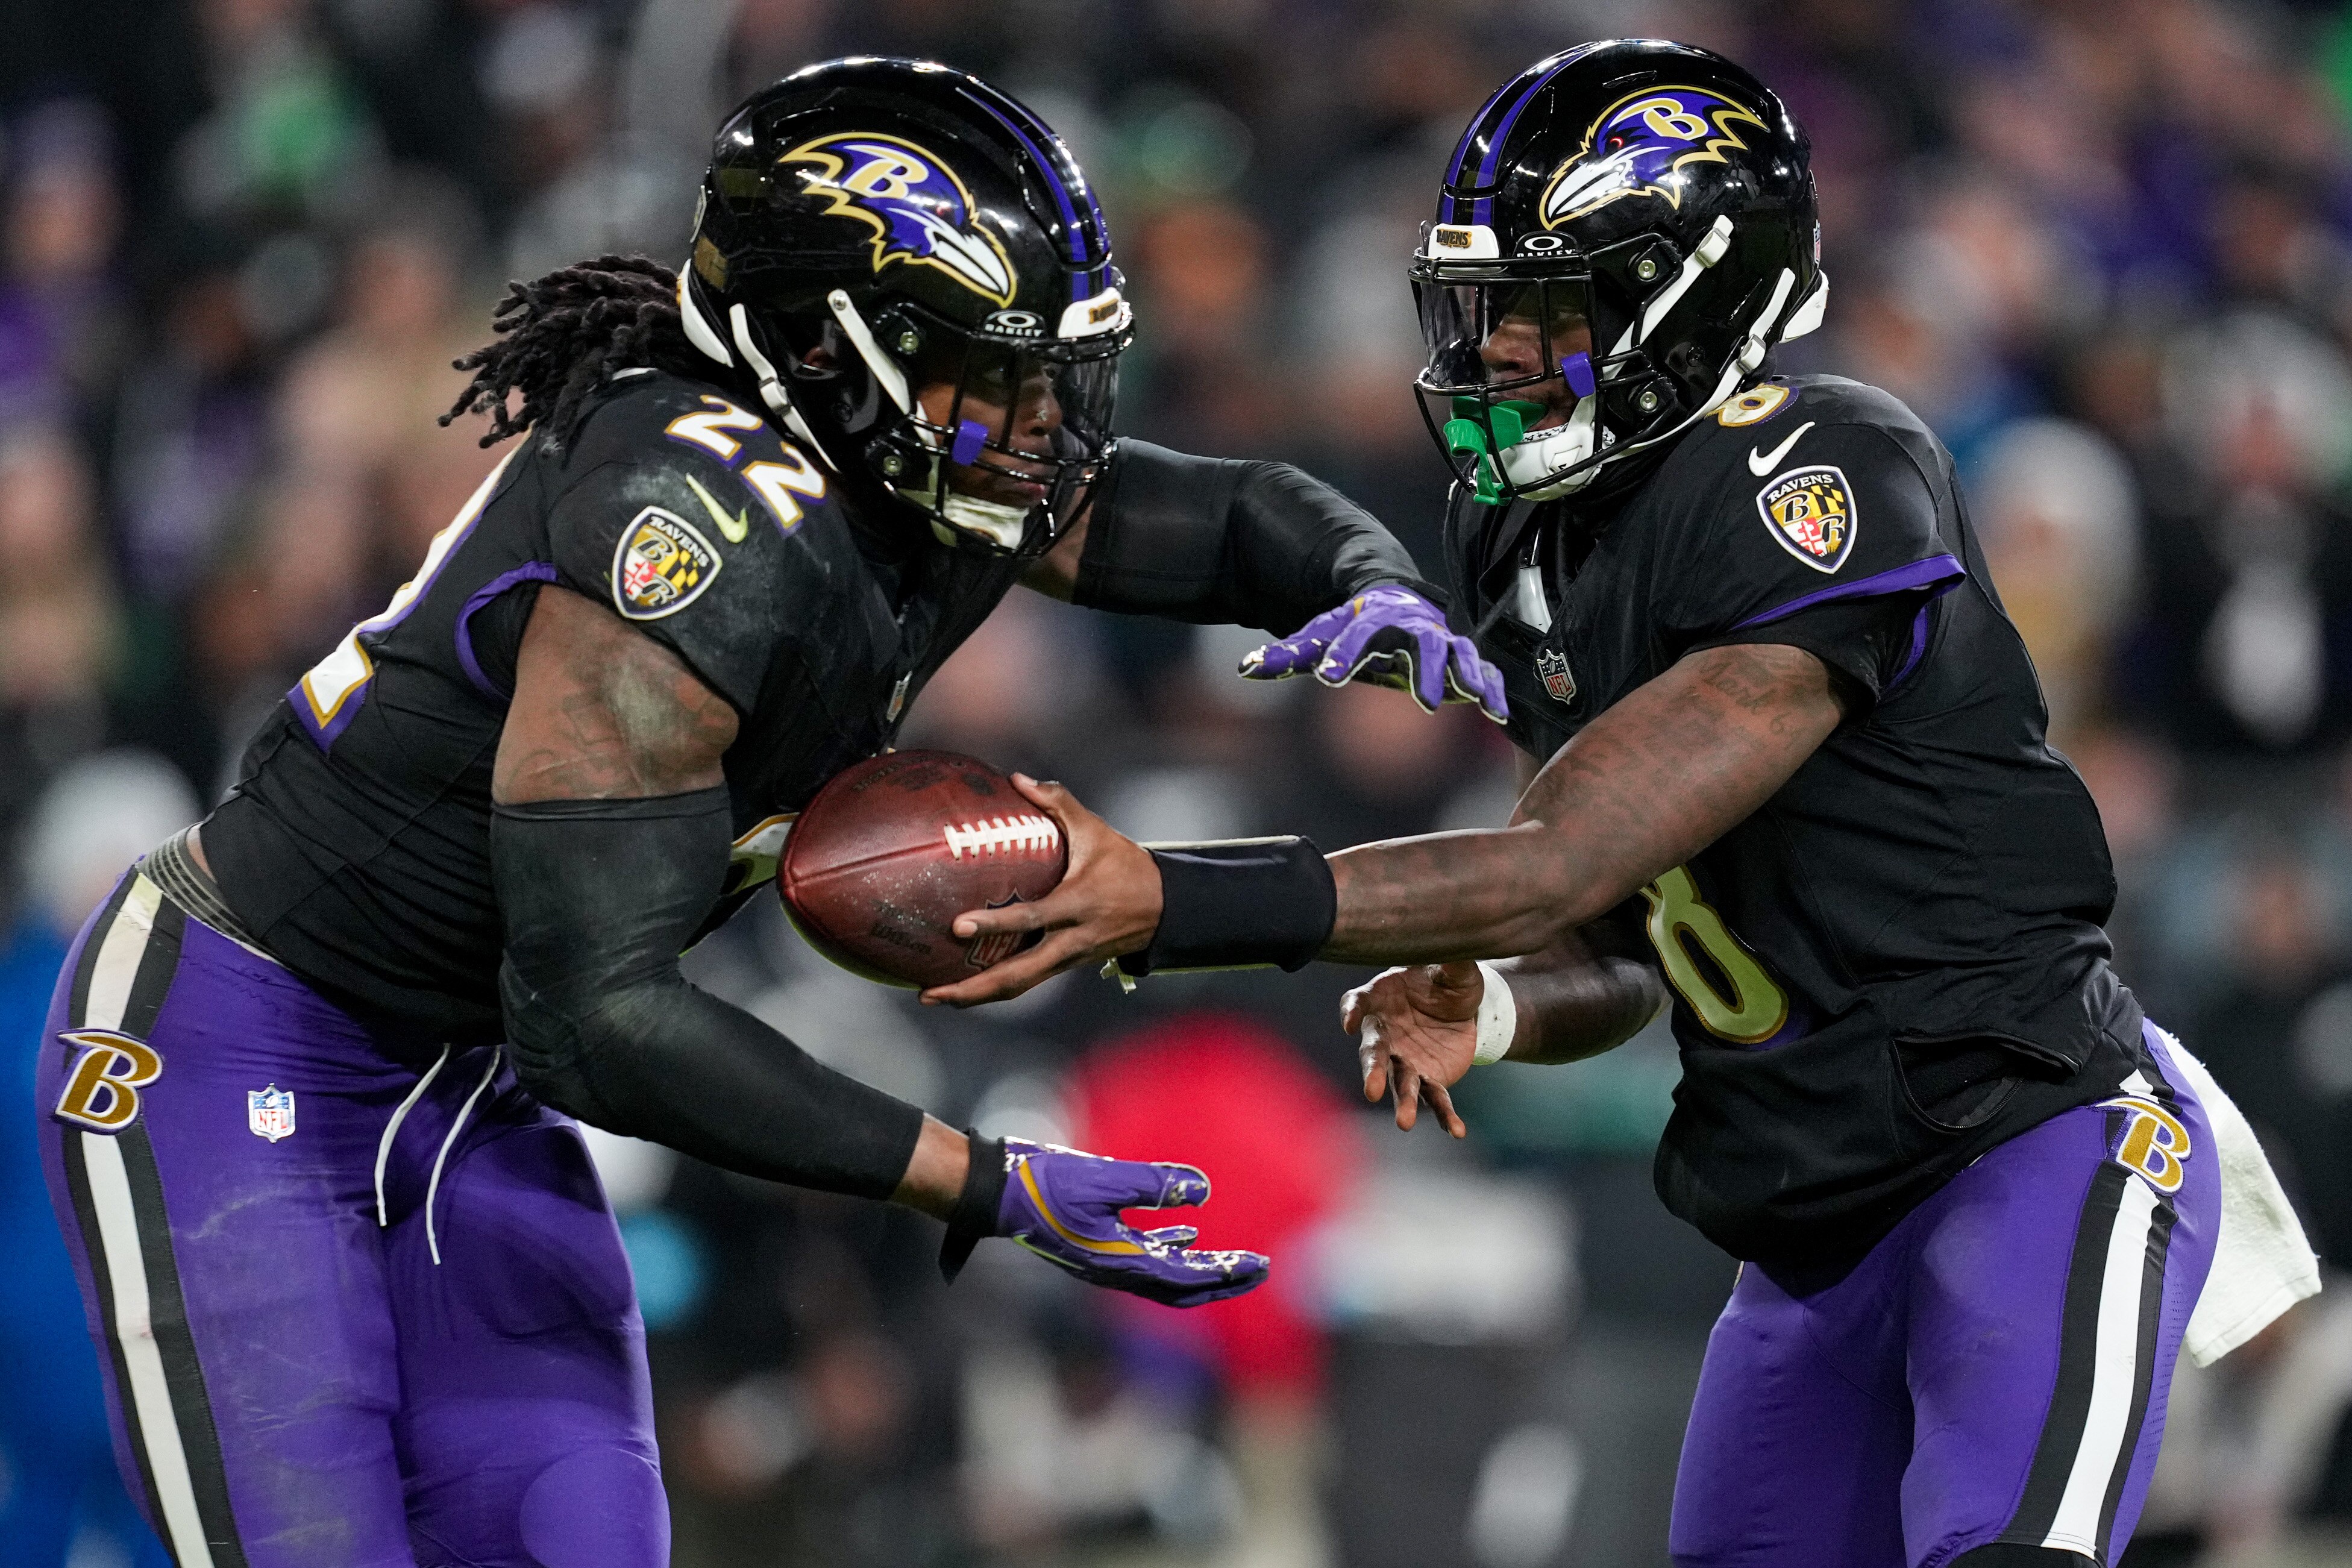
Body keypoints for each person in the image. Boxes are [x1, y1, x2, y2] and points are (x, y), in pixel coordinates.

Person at [32, 59, 1505, 1568]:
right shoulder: (693, 529)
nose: (1038, 428)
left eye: (1052, 374)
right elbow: (598, 1015)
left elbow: (1215, 510)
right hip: (248, 1045)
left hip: (473, 1083)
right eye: (983, 375)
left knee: (576, 1535)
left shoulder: (904, 462)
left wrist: (1368, 578)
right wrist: (981, 1177)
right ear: (819, 348)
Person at [928, 40, 2318, 1568]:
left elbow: (1559, 853)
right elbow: (1626, 923)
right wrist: (1506, 1013)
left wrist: (1176, 896)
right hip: (1807, 1223)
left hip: (2026, 1144)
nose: (1496, 358)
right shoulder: (1528, 537)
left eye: (1541, 313)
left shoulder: (1821, 463)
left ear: (1693, 297)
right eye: (1481, 312)